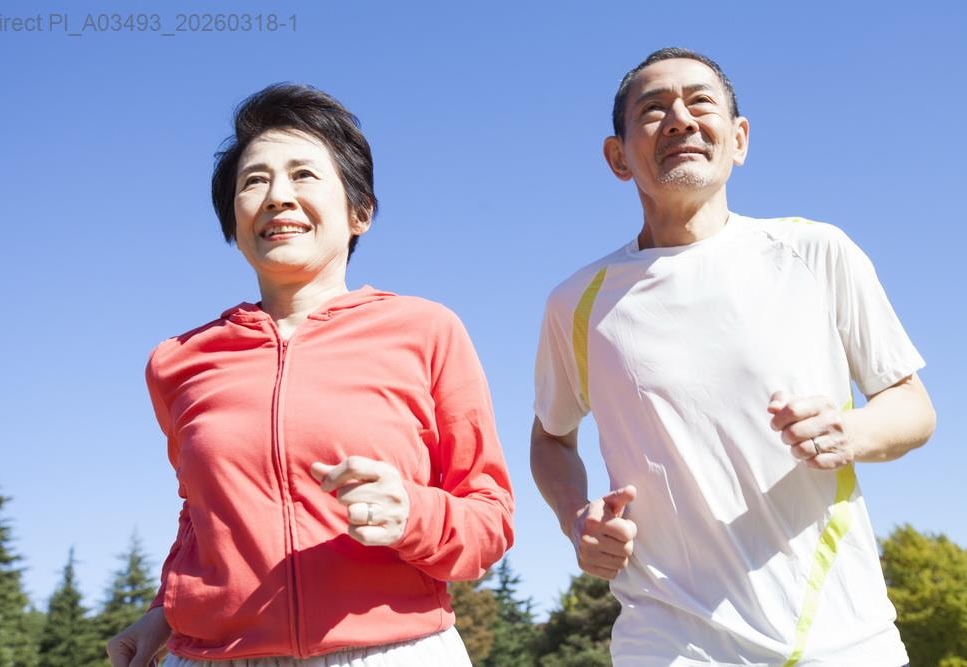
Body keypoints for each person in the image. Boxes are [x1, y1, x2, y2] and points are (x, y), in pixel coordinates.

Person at [530, 48, 935, 666]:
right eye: (654, 109)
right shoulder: (576, 303)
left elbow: (912, 408)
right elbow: (551, 440)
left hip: (838, 634)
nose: (680, 120)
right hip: (667, 641)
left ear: (738, 138)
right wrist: (575, 518)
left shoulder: (815, 251)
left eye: (700, 102)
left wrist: (850, 431)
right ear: (617, 157)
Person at [107, 84, 514, 667]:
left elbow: (489, 516)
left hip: (392, 651)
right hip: (212, 657)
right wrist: (163, 611)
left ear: (360, 213)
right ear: (233, 218)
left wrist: (413, 515)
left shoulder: (427, 331)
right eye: (254, 181)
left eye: (303, 175)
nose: (277, 197)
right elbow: (200, 517)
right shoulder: (177, 360)